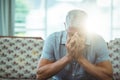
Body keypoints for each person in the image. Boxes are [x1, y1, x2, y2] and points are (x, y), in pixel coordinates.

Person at [36, 9, 113, 80]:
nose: (75, 38)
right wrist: (68, 56)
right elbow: (40, 75)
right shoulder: (53, 39)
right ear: (65, 26)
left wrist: (80, 58)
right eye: (71, 34)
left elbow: (108, 77)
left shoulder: (98, 40)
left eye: (81, 34)